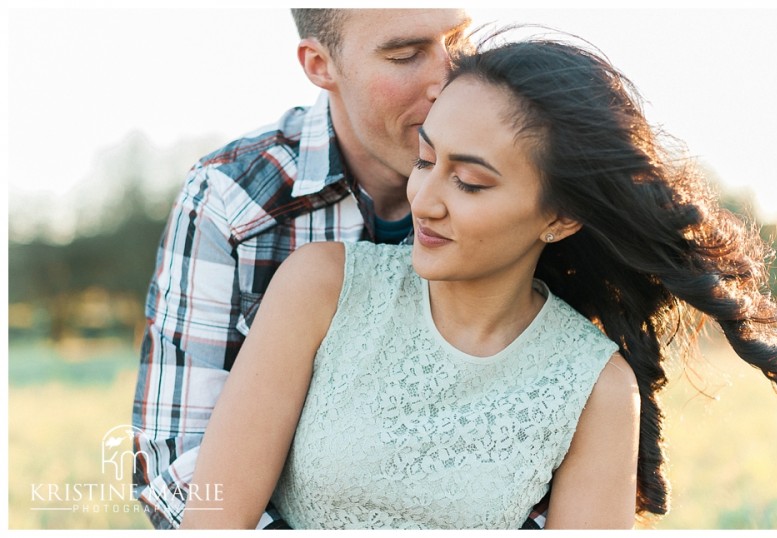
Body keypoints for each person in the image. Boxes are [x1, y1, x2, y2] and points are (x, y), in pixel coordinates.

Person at [178, 35, 777, 529]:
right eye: (425, 160)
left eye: (469, 182)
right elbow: (214, 522)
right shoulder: (320, 289)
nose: (425, 198)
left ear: (559, 217)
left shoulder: (598, 389)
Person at [132, 8, 548, 530]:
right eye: (405, 54)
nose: (448, 77)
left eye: (458, 39)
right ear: (319, 65)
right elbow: (178, 464)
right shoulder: (231, 199)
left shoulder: (536, 193)